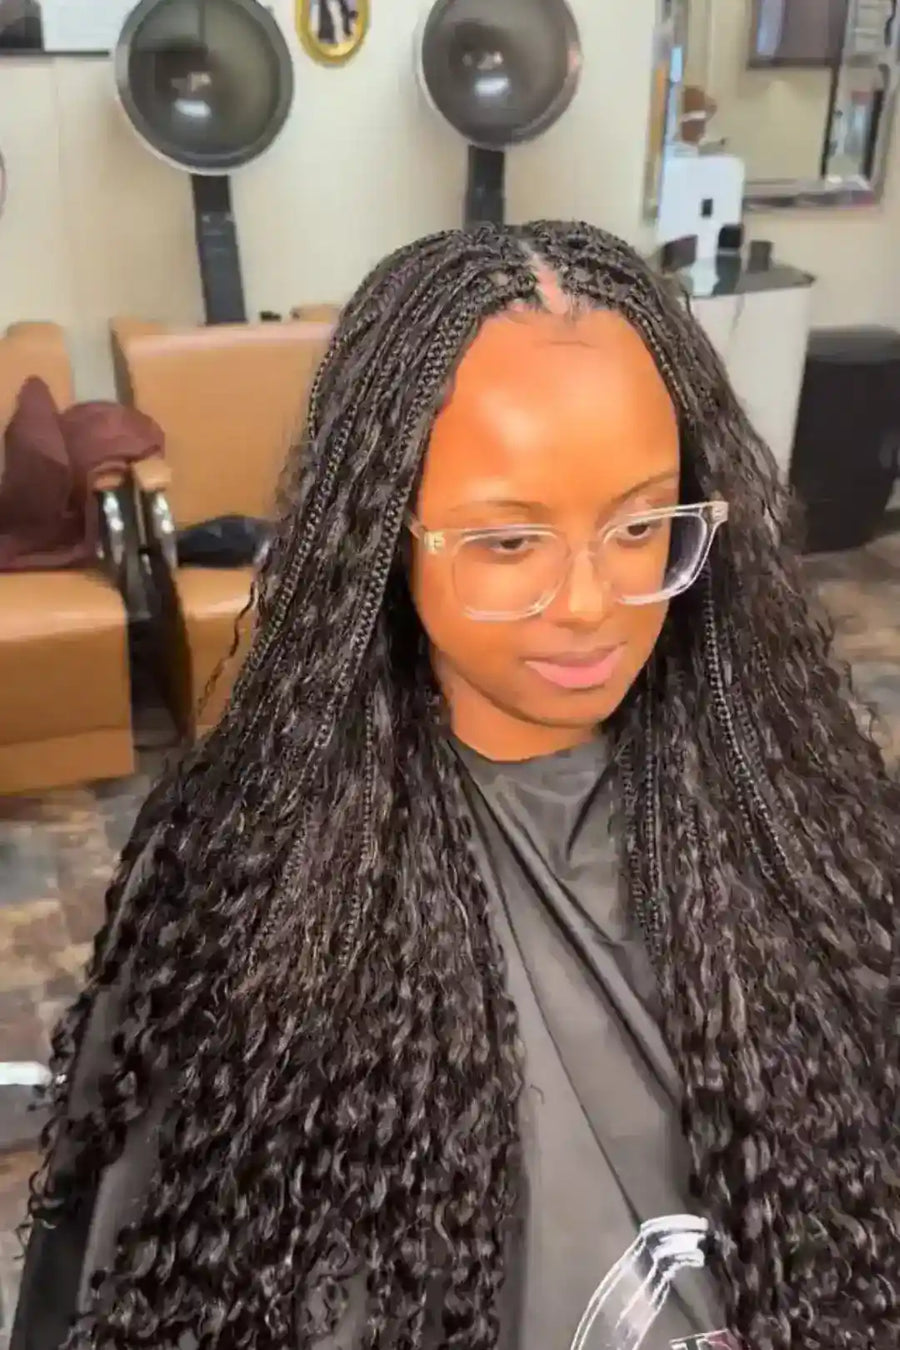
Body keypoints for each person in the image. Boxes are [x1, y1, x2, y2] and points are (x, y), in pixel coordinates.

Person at [13, 221, 900, 1350]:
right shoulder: (245, 894)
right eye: (506, 543)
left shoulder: (799, 823)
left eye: (642, 525)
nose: (592, 603)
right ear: (387, 538)